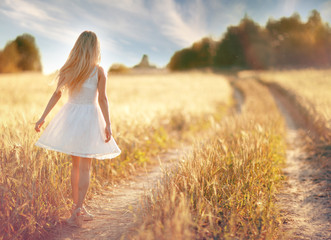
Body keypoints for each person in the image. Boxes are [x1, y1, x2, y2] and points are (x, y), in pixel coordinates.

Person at [34, 31, 121, 227]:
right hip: (90, 117)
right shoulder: (98, 70)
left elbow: (56, 95)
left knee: (75, 166)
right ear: (95, 48)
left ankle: (76, 208)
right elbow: (102, 99)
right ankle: (79, 209)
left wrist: (43, 117)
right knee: (85, 167)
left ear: (77, 46)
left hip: (71, 117)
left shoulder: (68, 68)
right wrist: (108, 123)